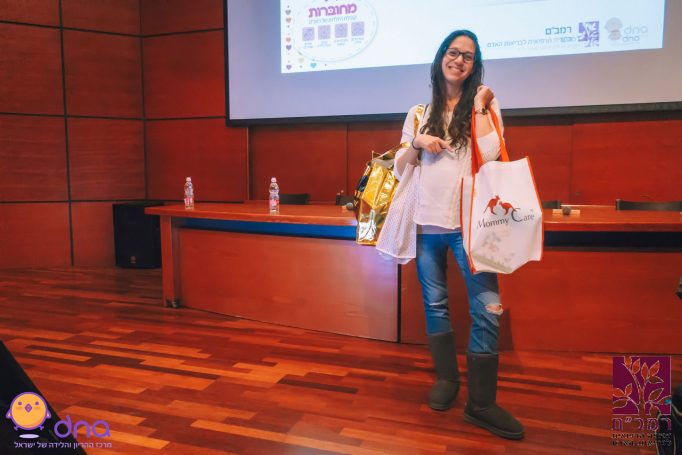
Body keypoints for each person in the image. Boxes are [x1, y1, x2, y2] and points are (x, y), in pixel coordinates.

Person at [394, 29, 524, 440]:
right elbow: (399, 167)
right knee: (435, 304)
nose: (459, 60)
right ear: (440, 58)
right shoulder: (419, 111)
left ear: (475, 65)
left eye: (468, 56)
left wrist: (482, 105)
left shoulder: (485, 104)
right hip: (426, 225)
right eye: (453, 52)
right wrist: (417, 142)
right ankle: (448, 379)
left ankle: (481, 404)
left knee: (487, 308)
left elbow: (491, 153)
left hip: (472, 226)